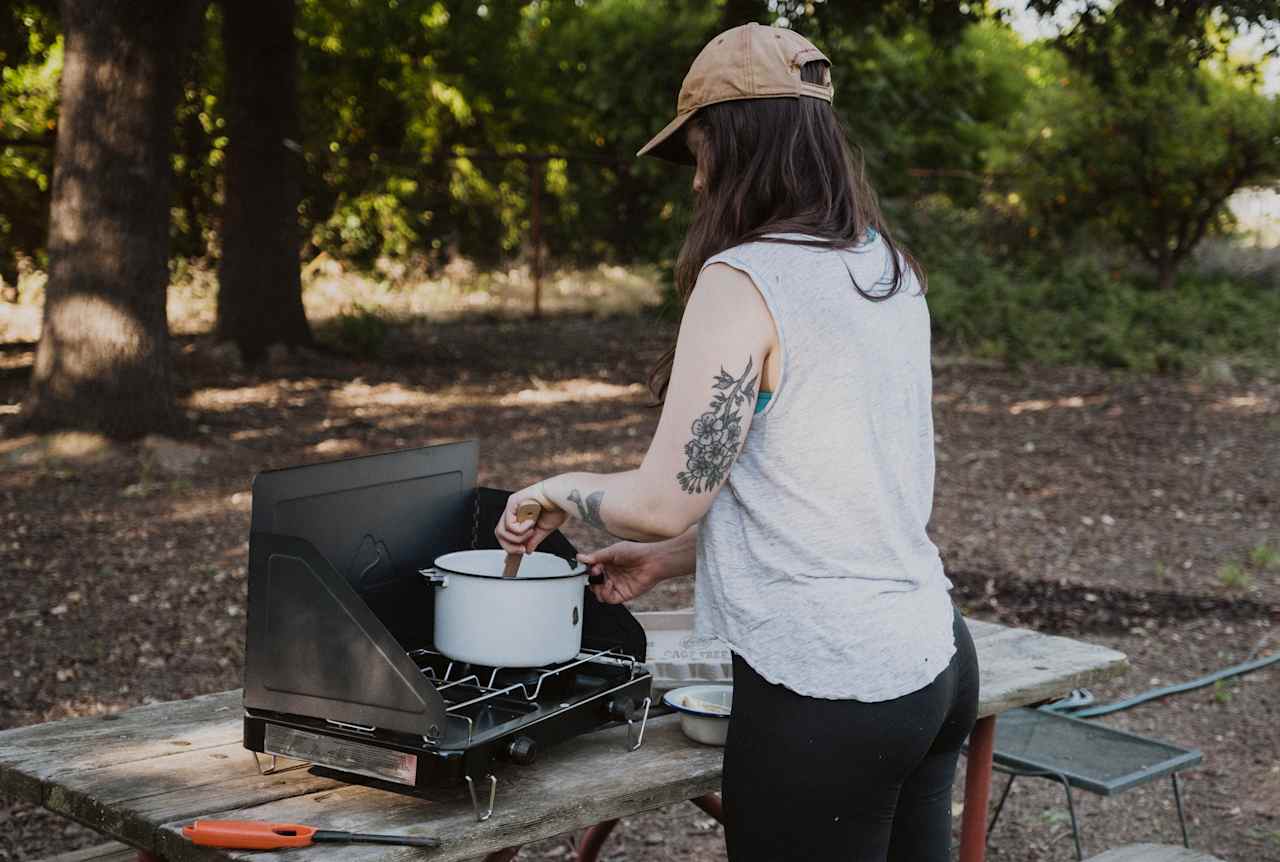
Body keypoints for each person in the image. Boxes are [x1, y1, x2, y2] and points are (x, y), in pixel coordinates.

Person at [495, 22, 979, 862]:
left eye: (697, 152)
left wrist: (554, 489)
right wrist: (680, 556)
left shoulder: (743, 279)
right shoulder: (885, 268)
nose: (696, 181)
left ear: (732, 140)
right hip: (934, 661)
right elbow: (834, 492)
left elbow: (660, 498)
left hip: (832, 688)